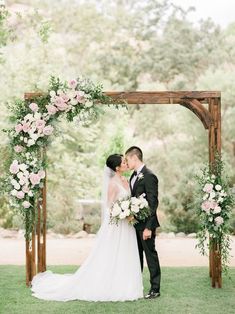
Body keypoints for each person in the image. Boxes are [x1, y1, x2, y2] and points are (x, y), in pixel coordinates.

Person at [31, 154, 143, 302]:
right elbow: (109, 207)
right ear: (117, 167)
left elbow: (128, 200)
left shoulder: (125, 180)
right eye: (123, 162)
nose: (126, 163)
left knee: (126, 251)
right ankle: (110, 284)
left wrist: (131, 210)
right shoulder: (113, 183)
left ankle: (127, 284)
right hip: (117, 225)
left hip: (126, 225)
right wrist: (123, 212)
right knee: (112, 253)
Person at [125, 146, 161, 299]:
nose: (126, 163)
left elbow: (153, 203)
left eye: (127, 159)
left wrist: (148, 227)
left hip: (146, 225)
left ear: (134, 158)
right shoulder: (133, 176)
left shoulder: (149, 176)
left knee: (150, 255)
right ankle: (135, 286)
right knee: (136, 256)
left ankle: (155, 289)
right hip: (134, 224)